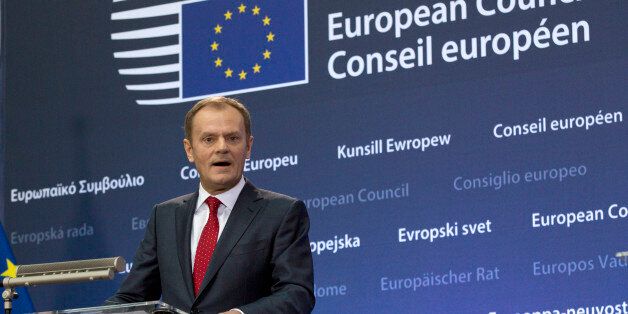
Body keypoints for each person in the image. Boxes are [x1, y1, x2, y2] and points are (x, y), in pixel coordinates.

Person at [107, 96, 315, 313]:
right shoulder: (165, 216)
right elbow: (133, 297)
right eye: (209, 139)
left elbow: (296, 293)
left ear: (248, 146)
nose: (222, 147)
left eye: (233, 138)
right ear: (189, 150)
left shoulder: (281, 212)